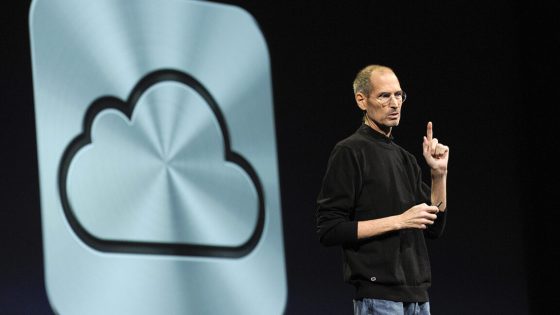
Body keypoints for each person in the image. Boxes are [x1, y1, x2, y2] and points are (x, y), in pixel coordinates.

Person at [316, 64, 449, 315]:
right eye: (384, 96)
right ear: (361, 101)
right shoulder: (350, 151)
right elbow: (329, 229)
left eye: (399, 95)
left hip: (419, 297)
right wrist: (399, 221)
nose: (395, 103)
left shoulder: (406, 159)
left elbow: (434, 226)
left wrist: (438, 174)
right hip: (380, 298)